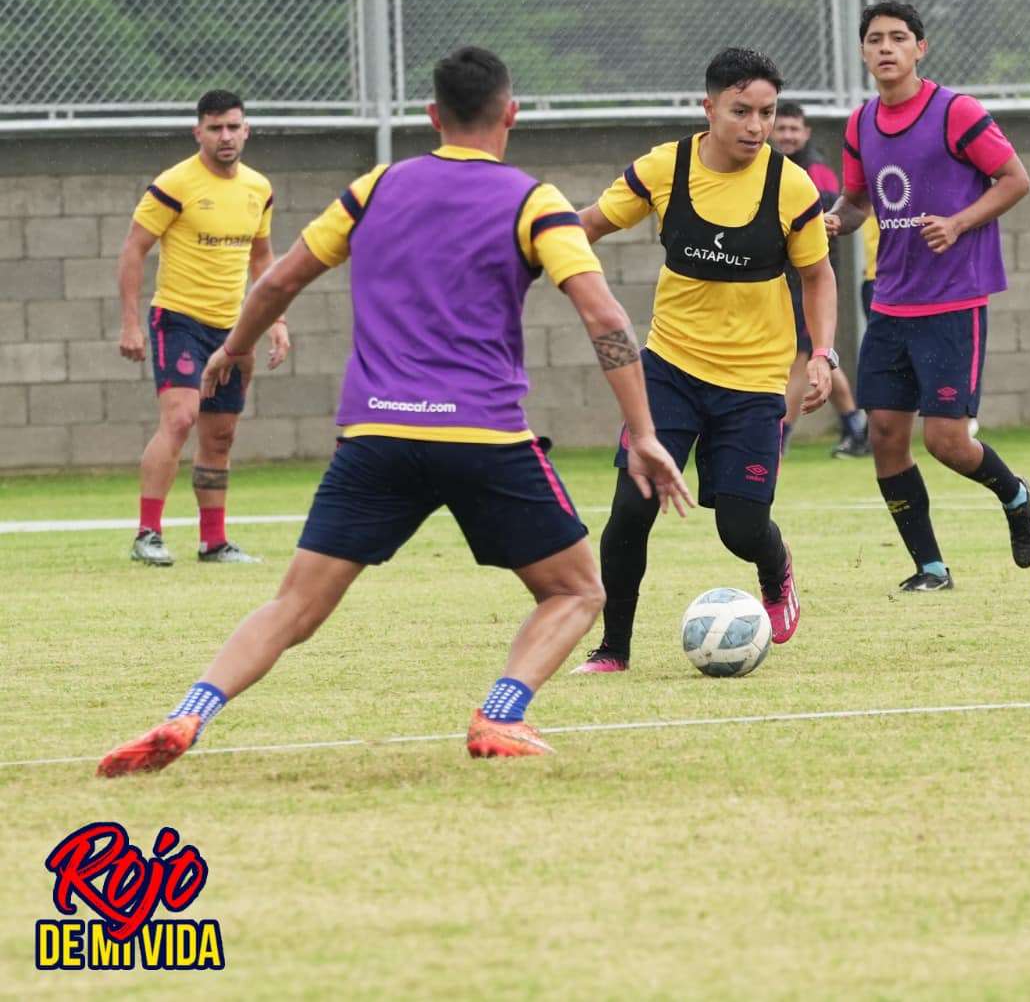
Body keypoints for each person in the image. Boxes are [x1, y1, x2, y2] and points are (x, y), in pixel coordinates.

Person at [97, 47, 689, 776]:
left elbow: (279, 282)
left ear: (432, 115)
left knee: (293, 607)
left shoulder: (374, 188)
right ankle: (500, 715)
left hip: (377, 433)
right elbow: (605, 319)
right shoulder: (537, 201)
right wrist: (646, 433)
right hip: (484, 438)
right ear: (511, 113)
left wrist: (233, 349)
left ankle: (187, 713)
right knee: (576, 590)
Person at [570, 48, 837, 673]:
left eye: (767, 113)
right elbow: (588, 224)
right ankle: (614, 649)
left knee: (740, 529)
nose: (756, 126)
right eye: (741, 111)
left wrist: (822, 355)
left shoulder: (789, 184)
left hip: (754, 382)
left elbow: (819, 278)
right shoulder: (667, 167)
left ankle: (776, 571)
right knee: (630, 509)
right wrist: (518, 242)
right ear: (708, 107)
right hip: (667, 369)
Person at [824, 0, 1030, 593]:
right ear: (863, 52)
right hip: (889, 304)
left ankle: (1015, 495)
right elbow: (859, 199)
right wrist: (835, 220)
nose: (885, 48)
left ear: (921, 48)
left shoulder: (956, 112)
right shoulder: (859, 122)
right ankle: (931, 568)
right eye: (874, 40)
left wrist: (960, 222)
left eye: (898, 38)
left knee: (945, 441)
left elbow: (1016, 179)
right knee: (886, 436)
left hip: (953, 300)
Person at [116, 90, 292, 566]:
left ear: (247, 130)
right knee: (180, 418)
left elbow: (262, 256)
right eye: (215, 128)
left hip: (234, 328)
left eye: (234, 126)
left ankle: (213, 541)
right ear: (199, 133)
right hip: (177, 317)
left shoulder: (259, 188)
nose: (226, 136)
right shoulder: (174, 184)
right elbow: (134, 249)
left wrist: (275, 319)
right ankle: (147, 534)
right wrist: (131, 324)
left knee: (221, 435)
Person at [772, 100, 870, 458]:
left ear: (806, 133)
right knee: (821, 356)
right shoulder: (770, 168)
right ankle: (856, 427)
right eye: (781, 128)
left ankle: (778, 436)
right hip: (784, 279)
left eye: (793, 129)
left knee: (802, 357)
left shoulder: (816, 170)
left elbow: (828, 226)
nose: (787, 135)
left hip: (810, 279)